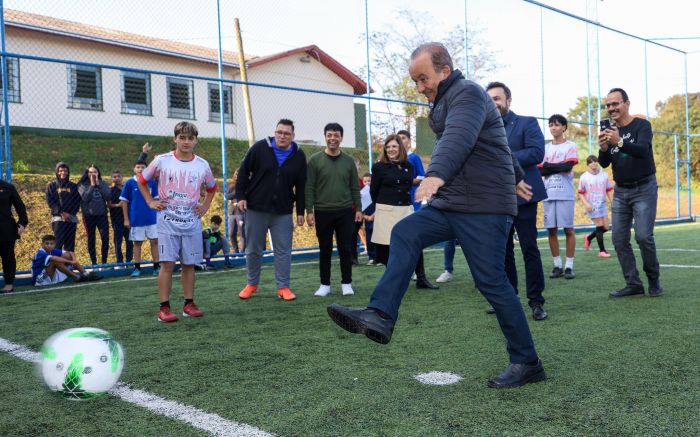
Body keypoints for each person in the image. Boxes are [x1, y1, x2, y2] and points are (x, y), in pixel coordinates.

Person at [327, 43, 544, 389]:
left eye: (423, 78)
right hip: (455, 202)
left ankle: (527, 361)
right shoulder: (446, 102)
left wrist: (436, 175)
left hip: (485, 206)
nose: (420, 87)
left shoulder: (468, 94)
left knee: (492, 282)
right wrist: (516, 175)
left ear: (445, 71)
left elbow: (458, 138)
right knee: (406, 232)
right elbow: (494, 140)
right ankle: (380, 314)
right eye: (415, 81)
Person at [138, 121, 217, 322]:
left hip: (191, 222)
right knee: (167, 265)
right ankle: (164, 308)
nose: (186, 142)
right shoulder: (161, 161)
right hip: (167, 222)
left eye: (190, 138)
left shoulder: (202, 164)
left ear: (195, 140)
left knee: (189, 264)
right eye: (182, 137)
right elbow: (141, 180)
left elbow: (211, 188)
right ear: (175, 139)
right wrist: (150, 201)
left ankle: (188, 304)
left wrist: (205, 207)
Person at [486, 81, 547, 321]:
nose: (493, 103)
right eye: (489, 99)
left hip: (524, 196)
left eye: (497, 98)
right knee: (503, 252)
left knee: (529, 248)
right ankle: (509, 300)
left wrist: (504, 158)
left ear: (508, 100)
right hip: (495, 199)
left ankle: (536, 301)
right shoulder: (483, 128)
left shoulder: (527, 122)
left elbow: (536, 152)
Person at [598, 88, 663, 298]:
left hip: (644, 188)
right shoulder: (610, 130)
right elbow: (604, 163)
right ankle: (633, 283)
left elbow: (642, 150)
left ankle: (654, 280)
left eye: (615, 103)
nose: (611, 108)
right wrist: (603, 148)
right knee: (618, 239)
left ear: (627, 103)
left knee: (644, 237)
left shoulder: (641, 125)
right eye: (608, 105)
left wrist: (618, 141)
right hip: (621, 191)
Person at [235, 119, 307, 301]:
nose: (282, 136)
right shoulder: (259, 148)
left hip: (282, 212)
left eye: (287, 133)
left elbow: (301, 185)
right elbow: (243, 172)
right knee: (253, 249)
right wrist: (241, 197)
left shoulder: (299, 155)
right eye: (279, 132)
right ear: (275, 133)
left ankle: (283, 288)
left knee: (283, 251)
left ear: (293, 136)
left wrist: (300, 212)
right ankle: (252, 284)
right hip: (256, 208)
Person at [306, 123, 362, 297]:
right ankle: (325, 285)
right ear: (325, 137)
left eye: (336, 135)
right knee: (325, 249)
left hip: (345, 211)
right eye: (329, 135)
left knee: (346, 248)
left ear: (341, 138)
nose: (332, 138)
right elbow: (310, 187)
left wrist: (359, 208)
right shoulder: (315, 160)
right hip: (322, 211)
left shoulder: (348, 161)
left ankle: (346, 283)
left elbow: (354, 186)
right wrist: (309, 210)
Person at [397, 129, 438, 289]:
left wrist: (405, 180)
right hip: (396, 204)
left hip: (412, 201)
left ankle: (419, 275)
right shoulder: (394, 157)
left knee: (414, 237)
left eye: (403, 138)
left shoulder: (413, 157)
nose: (401, 141)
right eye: (398, 138)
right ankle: (403, 273)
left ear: (409, 141)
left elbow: (422, 177)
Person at [539, 114, 579, 280]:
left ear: (564, 127)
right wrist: (557, 167)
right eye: (550, 125)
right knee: (551, 230)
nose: (553, 128)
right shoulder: (545, 148)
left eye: (556, 125)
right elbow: (540, 170)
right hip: (548, 193)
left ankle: (569, 266)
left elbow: (568, 166)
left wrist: (550, 166)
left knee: (568, 229)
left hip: (565, 193)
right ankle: (557, 265)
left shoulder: (571, 146)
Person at [369, 135, 414, 267]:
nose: (390, 149)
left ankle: (420, 277)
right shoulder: (378, 167)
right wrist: (382, 206)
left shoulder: (409, 166)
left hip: (405, 210)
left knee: (411, 243)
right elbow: (374, 191)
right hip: (386, 211)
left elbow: (407, 186)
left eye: (394, 146)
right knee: (385, 249)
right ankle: (392, 276)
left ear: (400, 148)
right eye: (388, 147)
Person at [120, 159, 160, 277]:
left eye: (143, 167)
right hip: (136, 219)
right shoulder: (129, 183)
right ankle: (137, 268)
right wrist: (126, 219)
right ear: (134, 169)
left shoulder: (152, 182)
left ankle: (156, 267)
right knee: (137, 243)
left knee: (154, 241)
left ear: (147, 169)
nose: (140, 169)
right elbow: (124, 202)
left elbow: (156, 200)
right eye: (138, 167)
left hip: (151, 218)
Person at [578, 155, 614, 257]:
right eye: (590, 162)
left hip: (602, 204)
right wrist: (586, 204)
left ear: (597, 162)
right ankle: (602, 251)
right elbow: (580, 193)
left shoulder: (604, 175)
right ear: (587, 164)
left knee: (606, 227)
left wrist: (613, 202)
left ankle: (588, 238)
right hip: (591, 205)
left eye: (595, 161)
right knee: (599, 225)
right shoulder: (584, 177)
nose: (593, 163)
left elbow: (609, 190)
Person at [32, 234, 101, 286]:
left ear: (54, 244)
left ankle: (86, 274)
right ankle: (77, 277)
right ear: (42, 244)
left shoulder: (52, 250)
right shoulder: (40, 252)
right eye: (47, 243)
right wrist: (71, 262)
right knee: (55, 261)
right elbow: (54, 258)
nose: (49, 245)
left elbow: (70, 252)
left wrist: (74, 260)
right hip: (39, 279)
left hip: (49, 274)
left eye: (51, 244)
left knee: (67, 255)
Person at [77, 165, 112, 267]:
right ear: (87, 174)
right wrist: (92, 185)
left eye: (95, 172)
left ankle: (104, 263)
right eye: (90, 172)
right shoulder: (82, 184)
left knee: (105, 238)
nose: (93, 174)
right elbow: (86, 198)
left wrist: (99, 185)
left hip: (102, 215)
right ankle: (94, 263)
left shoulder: (102, 183)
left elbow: (108, 196)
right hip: (89, 216)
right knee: (91, 239)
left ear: (98, 173)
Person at [0, 178, 28, 293]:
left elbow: (20, 206)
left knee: (8, 257)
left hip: (6, 229)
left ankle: (9, 284)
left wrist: (22, 223)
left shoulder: (7, 187)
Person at [45, 162, 81, 253]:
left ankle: (68, 265)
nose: (63, 173)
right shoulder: (52, 185)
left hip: (71, 217)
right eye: (60, 171)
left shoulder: (73, 186)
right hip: (58, 217)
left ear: (68, 172)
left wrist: (70, 214)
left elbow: (77, 202)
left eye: (65, 171)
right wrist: (61, 213)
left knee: (70, 243)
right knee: (58, 241)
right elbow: (51, 202)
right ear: (57, 172)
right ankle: (57, 264)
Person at [109, 170, 132, 266]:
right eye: (114, 176)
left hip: (129, 219)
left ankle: (129, 261)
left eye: (118, 176)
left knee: (129, 241)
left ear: (122, 177)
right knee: (118, 242)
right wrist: (119, 205)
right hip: (117, 219)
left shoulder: (127, 189)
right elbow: (109, 205)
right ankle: (119, 262)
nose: (116, 178)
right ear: (112, 179)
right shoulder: (110, 190)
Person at [227, 169, 246, 254]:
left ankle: (242, 252)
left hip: (241, 212)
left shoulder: (245, 185)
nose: (237, 176)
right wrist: (237, 192)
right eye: (236, 175)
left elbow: (245, 196)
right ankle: (236, 251)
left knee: (242, 233)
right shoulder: (232, 186)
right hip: (232, 213)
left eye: (239, 175)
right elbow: (227, 196)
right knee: (231, 234)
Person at [360, 172, 376, 265]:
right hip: (367, 220)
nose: (367, 183)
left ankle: (379, 258)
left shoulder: (376, 193)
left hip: (377, 219)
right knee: (369, 239)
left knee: (377, 239)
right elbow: (360, 210)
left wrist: (374, 216)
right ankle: (371, 257)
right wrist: (366, 217)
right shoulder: (362, 194)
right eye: (365, 181)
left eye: (369, 181)